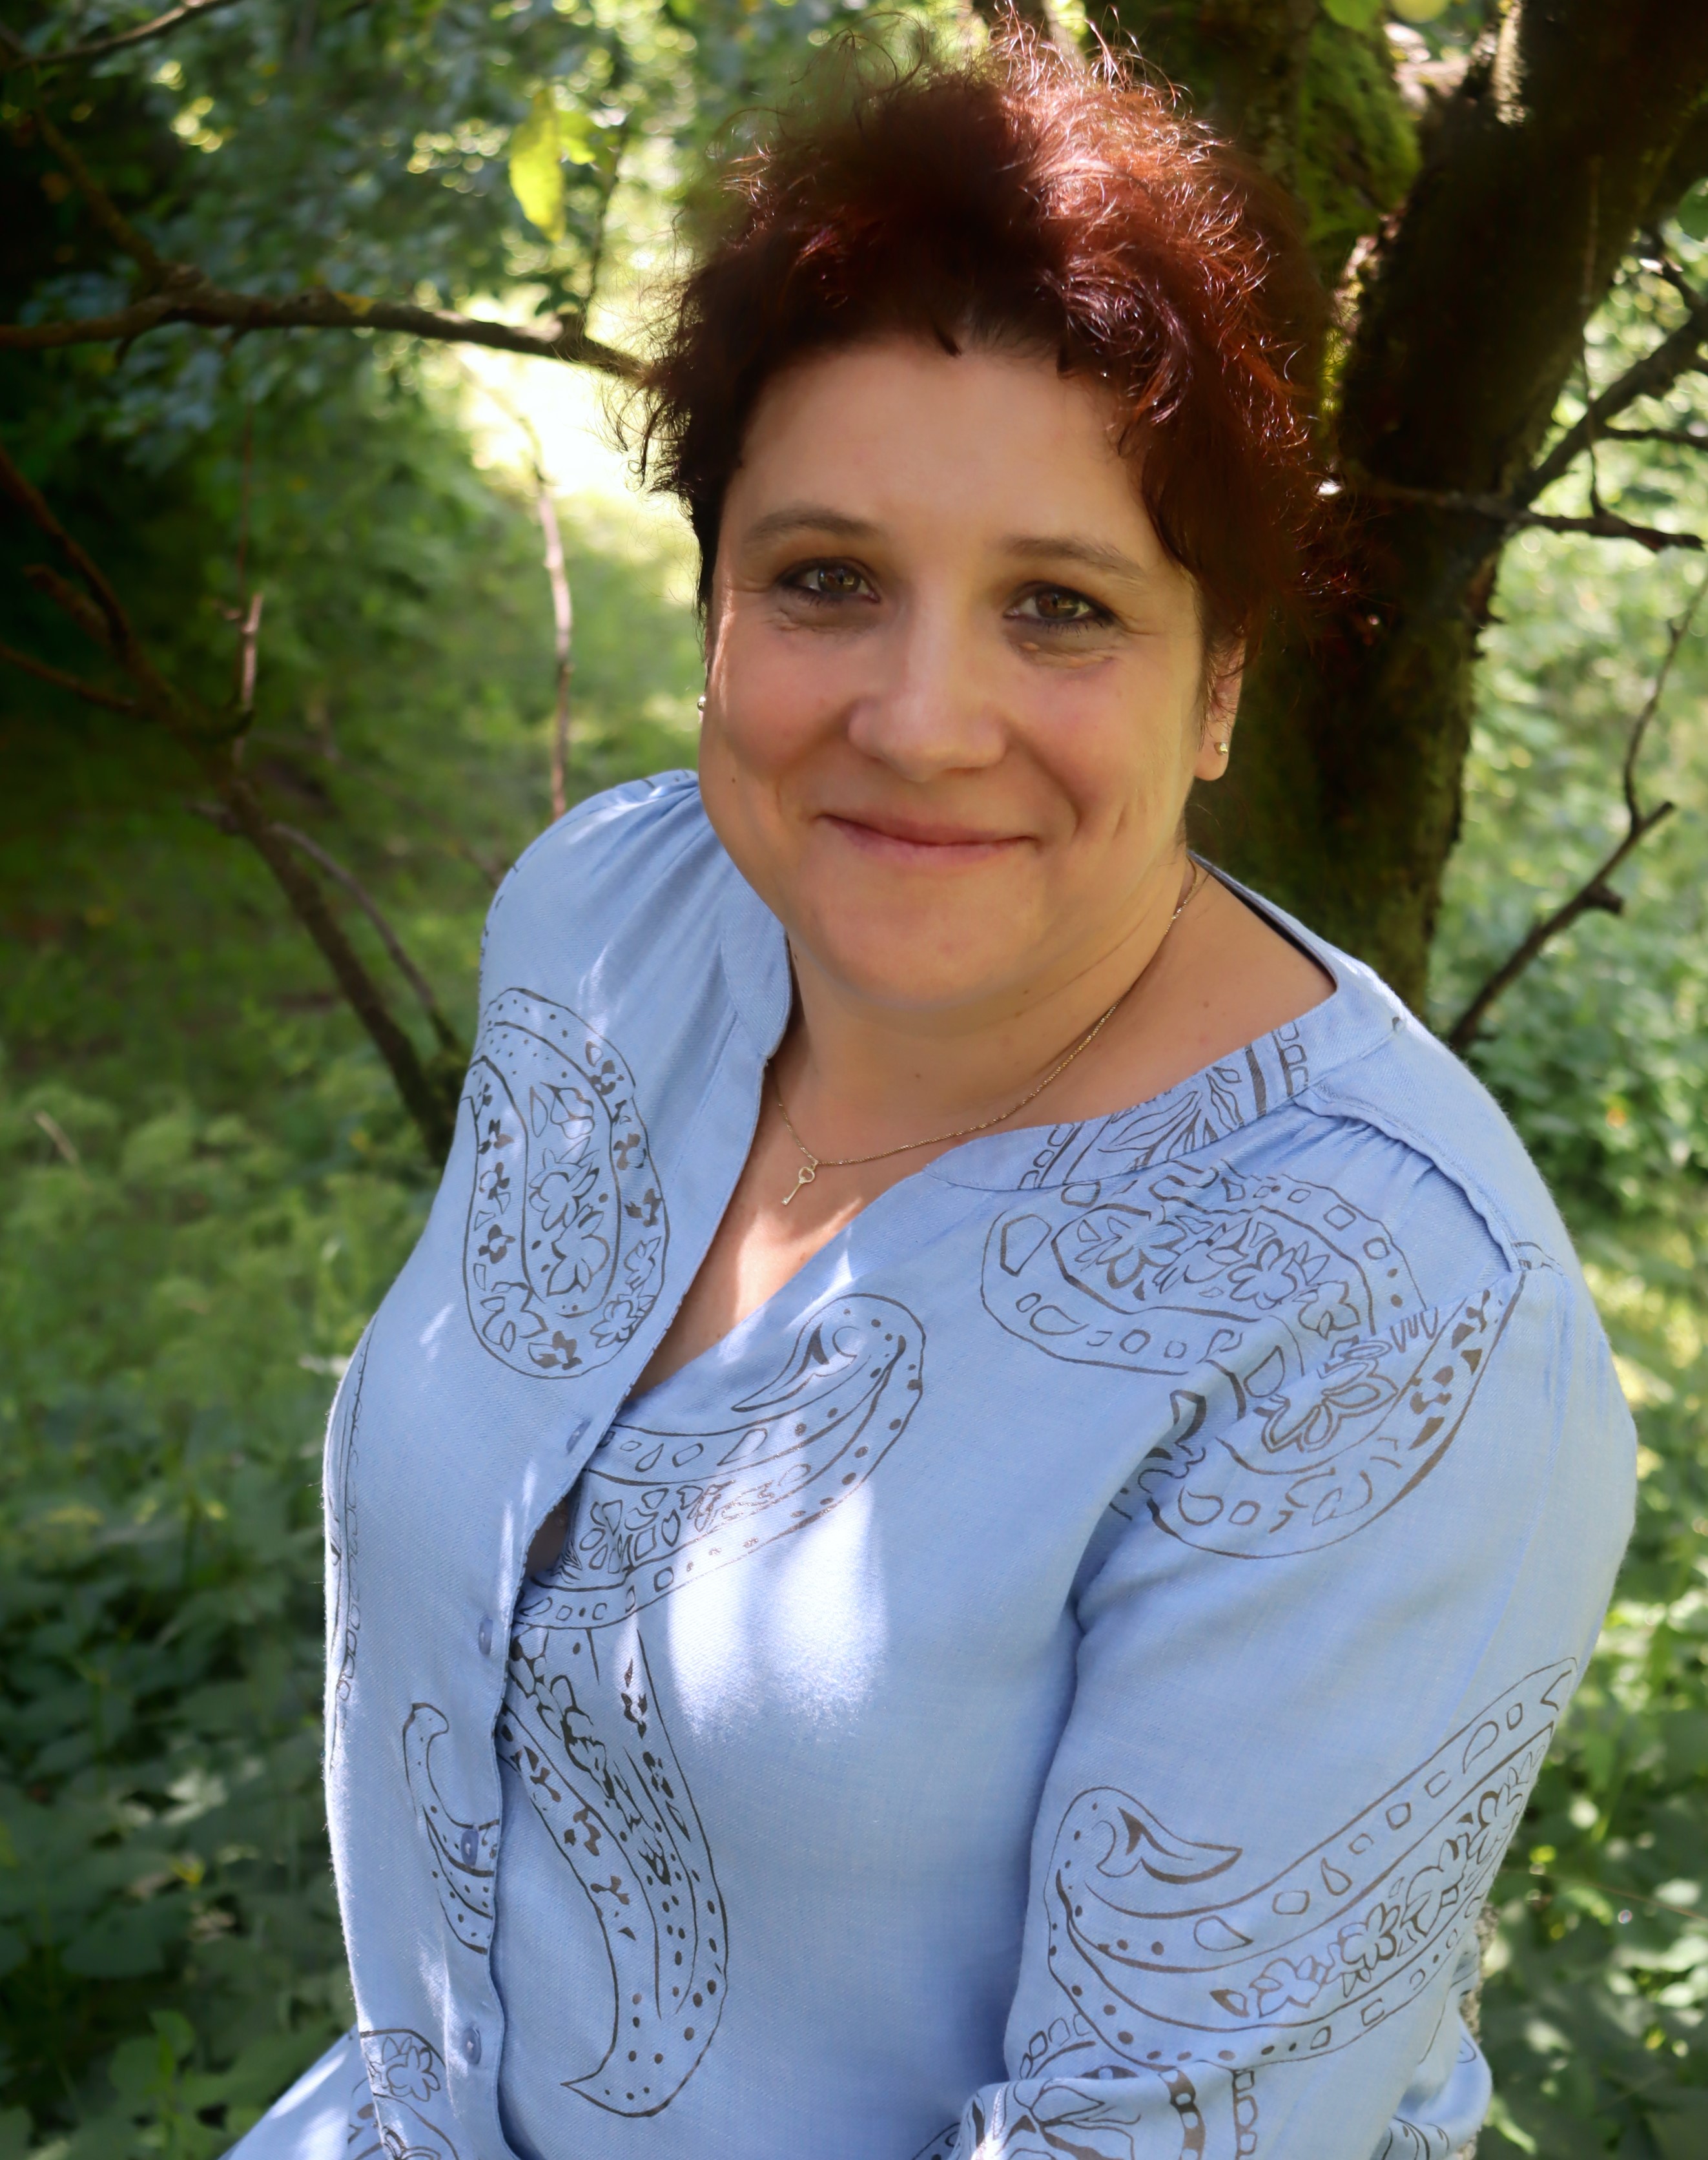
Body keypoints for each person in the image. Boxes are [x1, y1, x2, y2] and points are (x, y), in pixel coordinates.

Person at [234, 34, 1634, 2160]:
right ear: (712, 598)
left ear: (1221, 679)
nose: (919, 717)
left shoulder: (1393, 1322)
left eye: (1060, 608)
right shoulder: (612, 923)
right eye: (826, 578)